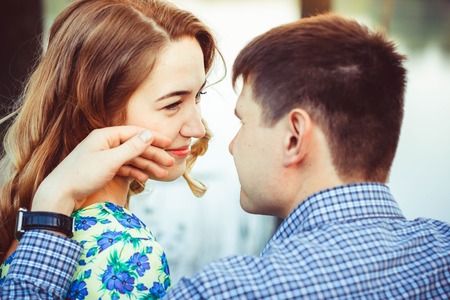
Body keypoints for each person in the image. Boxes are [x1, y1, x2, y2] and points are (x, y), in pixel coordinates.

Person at [2, 12, 450, 299]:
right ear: (97, 109)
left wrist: (51, 207)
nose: (205, 132)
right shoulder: (441, 251)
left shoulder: (224, 291)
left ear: (294, 137)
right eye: (173, 102)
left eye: (241, 120)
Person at [0, 0, 220, 298]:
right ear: (98, 111)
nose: (198, 128)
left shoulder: (22, 215)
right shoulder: (124, 249)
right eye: (172, 104)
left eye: (198, 95)